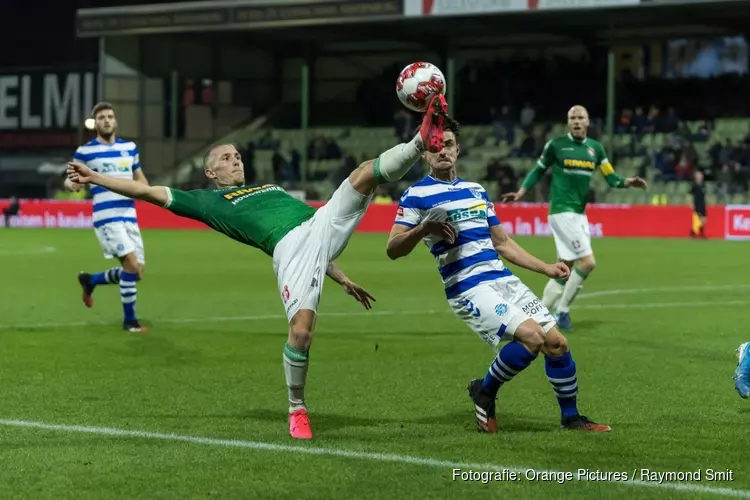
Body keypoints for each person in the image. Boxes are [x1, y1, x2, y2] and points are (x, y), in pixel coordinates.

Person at [67, 93, 450, 440]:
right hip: (289, 250)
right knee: (301, 333)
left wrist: (342, 277)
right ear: (211, 172)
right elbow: (145, 191)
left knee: (365, 171)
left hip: (320, 224)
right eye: (226, 158)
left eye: (237, 155)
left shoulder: (272, 189)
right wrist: (95, 177)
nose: (236, 160)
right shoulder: (205, 201)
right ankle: (296, 407)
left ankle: (421, 139)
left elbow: (318, 241)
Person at [386, 117, 611, 433]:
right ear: (425, 153)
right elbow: (393, 248)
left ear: (458, 149)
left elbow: (503, 243)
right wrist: (425, 228)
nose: (442, 151)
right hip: (467, 286)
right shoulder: (416, 195)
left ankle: (571, 418)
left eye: (448, 144)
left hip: (501, 279)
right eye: (435, 146)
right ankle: (485, 391)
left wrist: (546, 268)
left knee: (556, 343)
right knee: (532, 338)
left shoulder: (476, 191)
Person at [502, 105, 648, 331]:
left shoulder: (595, 149)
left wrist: (629, 182)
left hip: (578, 214)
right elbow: (538, 170)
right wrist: (521, 192)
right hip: (561, 211)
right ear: (568, 122)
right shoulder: (556, 145)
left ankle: (538, 315)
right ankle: (561, 312)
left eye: (581, 118)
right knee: (588, 262)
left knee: (564, 267)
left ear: (588, 122)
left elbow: (611, 178)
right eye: (573, 118)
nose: (577, 121)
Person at [65, 102, 150, 333]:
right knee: (131, 265)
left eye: (110, 116)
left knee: (136, 272)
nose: (107, 120)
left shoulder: (130, 148)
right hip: (107, 217)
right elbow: (70, 178)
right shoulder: (85, 151)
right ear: (96, 123)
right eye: (102, 117)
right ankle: (129, 322)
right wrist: (71, 184)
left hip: (129, 215)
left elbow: (140, 178)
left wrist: (148, 191)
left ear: (115, 121)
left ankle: (91, 280)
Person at [690, 170, 707, 238]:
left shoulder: (703, 185)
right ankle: (698, 233)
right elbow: (690, 194)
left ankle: (694, 232)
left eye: (700, 175)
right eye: (698, 176)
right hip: (697, 204)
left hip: (703, 204)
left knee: (704, 219)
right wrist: (691, 203)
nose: (700, 177)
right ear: (696, 177)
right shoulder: (694, 185)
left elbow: (704, 195)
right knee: (700, 219)